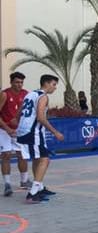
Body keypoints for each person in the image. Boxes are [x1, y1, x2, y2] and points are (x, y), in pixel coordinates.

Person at [16, 74, 65, 203]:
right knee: (45, 160)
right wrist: (55, 132)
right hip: (32, 132)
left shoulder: (29, 94)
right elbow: (40, 118)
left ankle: (40, 188)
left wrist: (18, 125)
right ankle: (32, 193)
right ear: (47, 84)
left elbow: (19, 112)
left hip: (24, 131)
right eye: (54, 84)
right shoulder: (43, 96)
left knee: (37, 159)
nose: (55, 88)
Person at [0, 72, 31, 196]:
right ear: (11, 82)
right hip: (4, 130)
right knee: (6, 155)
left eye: (21, 82)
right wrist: (7, 128)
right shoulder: (4, 94)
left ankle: (24, 181)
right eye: (17, 82)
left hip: (18, 131)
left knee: (22, 155)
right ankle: (7, 184)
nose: (19, 85)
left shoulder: (26, 94)